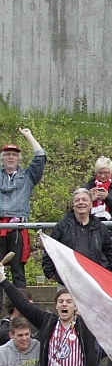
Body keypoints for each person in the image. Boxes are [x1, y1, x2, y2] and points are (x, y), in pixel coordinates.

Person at [0, 271, 100, 366]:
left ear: (75, 306)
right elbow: (22, 303)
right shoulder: (47, 322)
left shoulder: (85, 325)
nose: (64, 304)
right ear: (56, 306)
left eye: (69, 301)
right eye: (61, 302)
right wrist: (3, 279)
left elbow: (107, 308)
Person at [0, 128, 45, 306]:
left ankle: (22, 309)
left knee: (18, 271)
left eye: (14, 155)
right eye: (7, 154)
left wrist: (29, 136)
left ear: (19, 159)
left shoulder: (27, 176)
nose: (10, 157)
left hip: (17, 228)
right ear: (2, 159)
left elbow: (40, 157)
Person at [42, 188, 112, 282]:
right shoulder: (62, 226)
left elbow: (109, 252)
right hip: (68, 280)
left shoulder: (100, 227)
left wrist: (105, 272)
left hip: (95, 280)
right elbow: (50, 249)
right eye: (77, 200)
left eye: (84, 200)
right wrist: (50, 273)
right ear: (73, 205)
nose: (81, 203)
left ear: (91, 204)